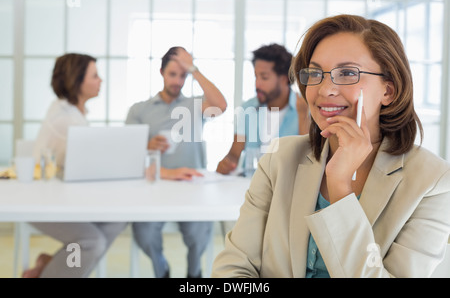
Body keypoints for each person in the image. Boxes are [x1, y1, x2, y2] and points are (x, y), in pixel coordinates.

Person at [212, 14, 450, 278]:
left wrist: (340, 187)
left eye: (347, 73)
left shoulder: (434, 182)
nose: (325, 89)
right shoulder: (278, 161)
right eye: (315, 73)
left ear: (388, 91)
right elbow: (233, 268)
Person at [125, 46, 227, 278]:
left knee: (199, 232)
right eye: (173, 74)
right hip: (153, 186)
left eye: (183, 75)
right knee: (145, 232)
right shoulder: (140, 110)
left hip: (192, 187)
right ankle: (161, 270)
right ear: (161, 72)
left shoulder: (195, 106)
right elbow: (127, 152)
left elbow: (221, 105)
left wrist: (195, 70)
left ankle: (194, 275)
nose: (178, 81)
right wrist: (146, 144)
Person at [24, 53, 127, 278]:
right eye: (95, 76)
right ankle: (51, 273)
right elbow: (99, 163)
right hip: (41, 202)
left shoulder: (69, 111)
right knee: (91, 241)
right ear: (77, 81)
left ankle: (55, 266)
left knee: (118, 217)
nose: (101, 80)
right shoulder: (66, 119)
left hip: (63, 197)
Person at [216, 43, 309, 176]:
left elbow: (307, 159)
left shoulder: (304, 109)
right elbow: (234, 154)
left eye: (264, 77)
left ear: (283, 79)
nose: (257, 84)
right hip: (249, 185)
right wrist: (226, 163)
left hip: (286, 188)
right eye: (256, 76)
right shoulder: (248, 108)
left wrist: (303, 116)